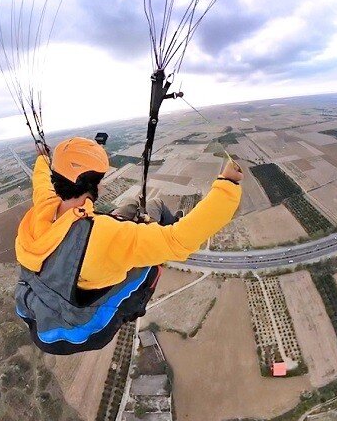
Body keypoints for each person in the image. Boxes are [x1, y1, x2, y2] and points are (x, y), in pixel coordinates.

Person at [15, 136, 243, 354]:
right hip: (80, 328)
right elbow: (179, 240)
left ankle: (155, 223)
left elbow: (41, 183)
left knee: (141, 206)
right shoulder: (107, 235)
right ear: (94, 185)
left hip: (44, 306)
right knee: (152, 266)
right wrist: (228, 184)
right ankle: (155, 239)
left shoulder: (42, 210)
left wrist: (42, 160)